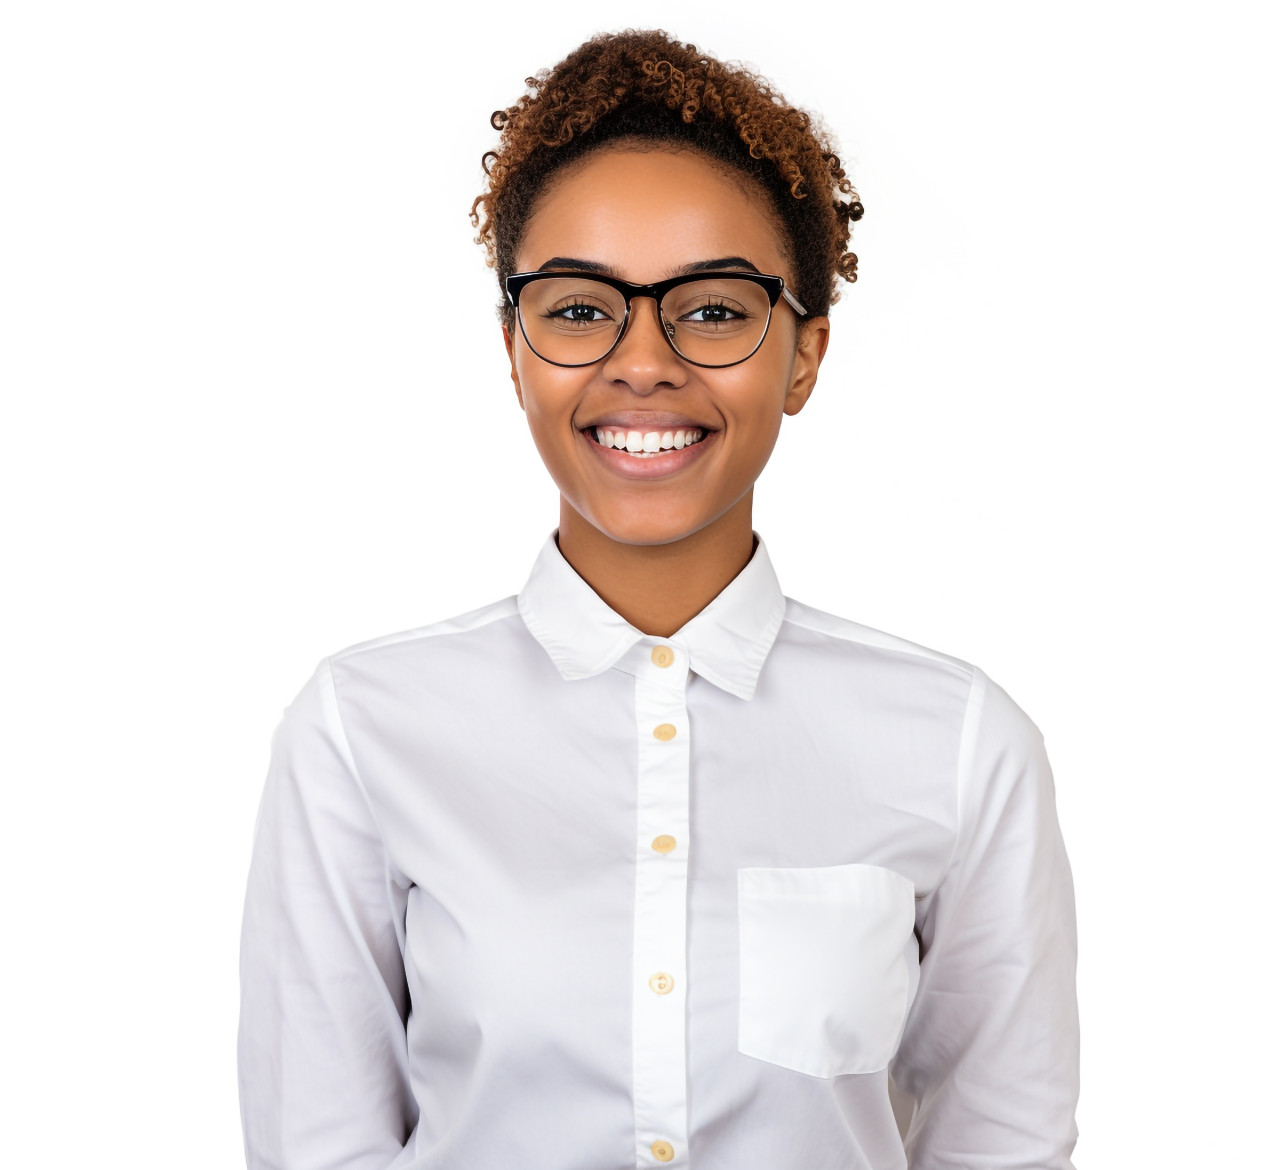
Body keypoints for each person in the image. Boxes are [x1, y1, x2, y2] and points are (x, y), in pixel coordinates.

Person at [237, 27, 1080, 1170]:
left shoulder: (957, 743)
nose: (642, 361)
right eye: (580, 309)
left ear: (803, 356)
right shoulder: (362, 727)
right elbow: (315, 1148)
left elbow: (1003, 1148)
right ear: (515, 349)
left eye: (715, 309)